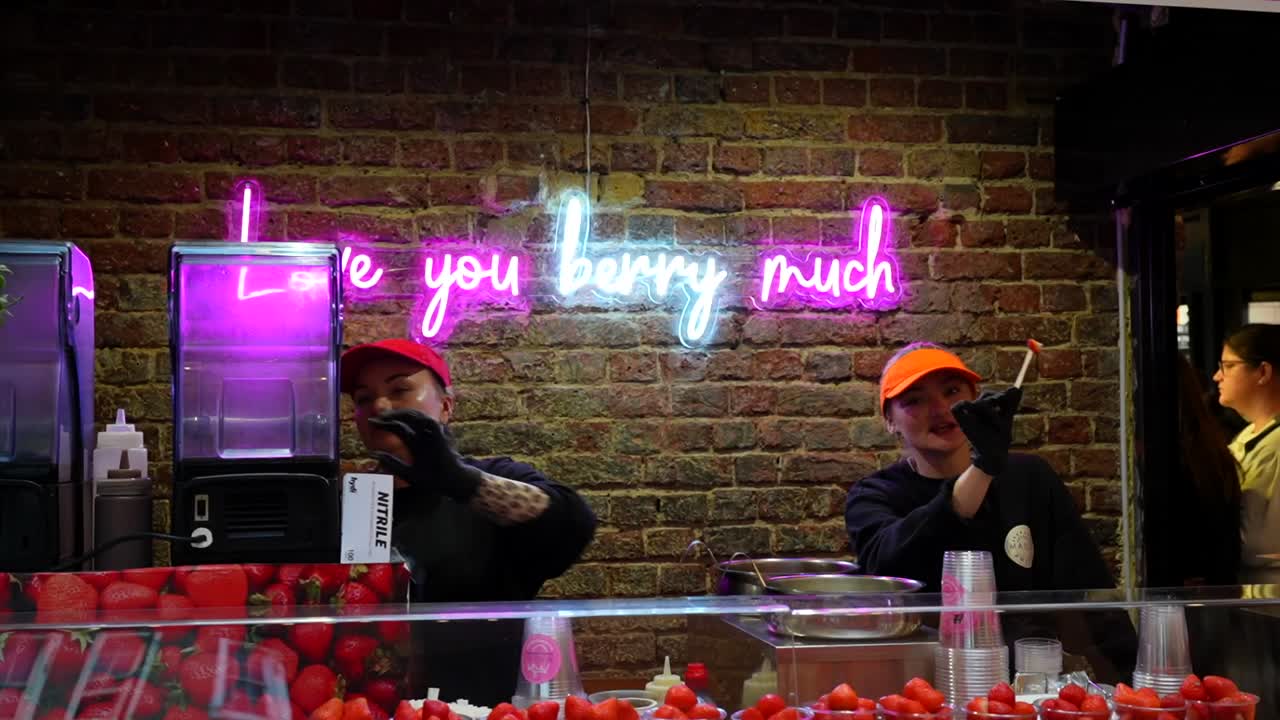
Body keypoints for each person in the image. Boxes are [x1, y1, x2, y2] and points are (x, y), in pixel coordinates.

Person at [844, 342, 1134, 680]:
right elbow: (890, 567)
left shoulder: (1031, 479)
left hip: (1027, 687)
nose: (939, 409)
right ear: (889, 421)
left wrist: (1135, 680)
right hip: (920, 688)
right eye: (914, 400)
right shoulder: (874, 495)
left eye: (952, 391)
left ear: (975, 399)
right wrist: (983, 467)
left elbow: (1091, 590)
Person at [341, 338, 597, 703]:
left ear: (445, 407)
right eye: (364, 399)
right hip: (370, 708)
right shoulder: (352, 501)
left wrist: (461, 482)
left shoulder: (493, 479)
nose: (380, 406)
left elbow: (573, 522)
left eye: (400, 389)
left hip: (485, 709)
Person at [1213, 324, 1280, 584]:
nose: (1217, 376)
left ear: (1263, 371)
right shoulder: (1249, 434)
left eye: (1227, 366)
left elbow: (1260, 542)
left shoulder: (1275, 445)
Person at [1172, 353, 1243, 586]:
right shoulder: (1210, 453)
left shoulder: (1174, 461)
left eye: (1229, 366)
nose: (1217, 376)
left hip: (1184, 598)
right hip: (1214, 596)